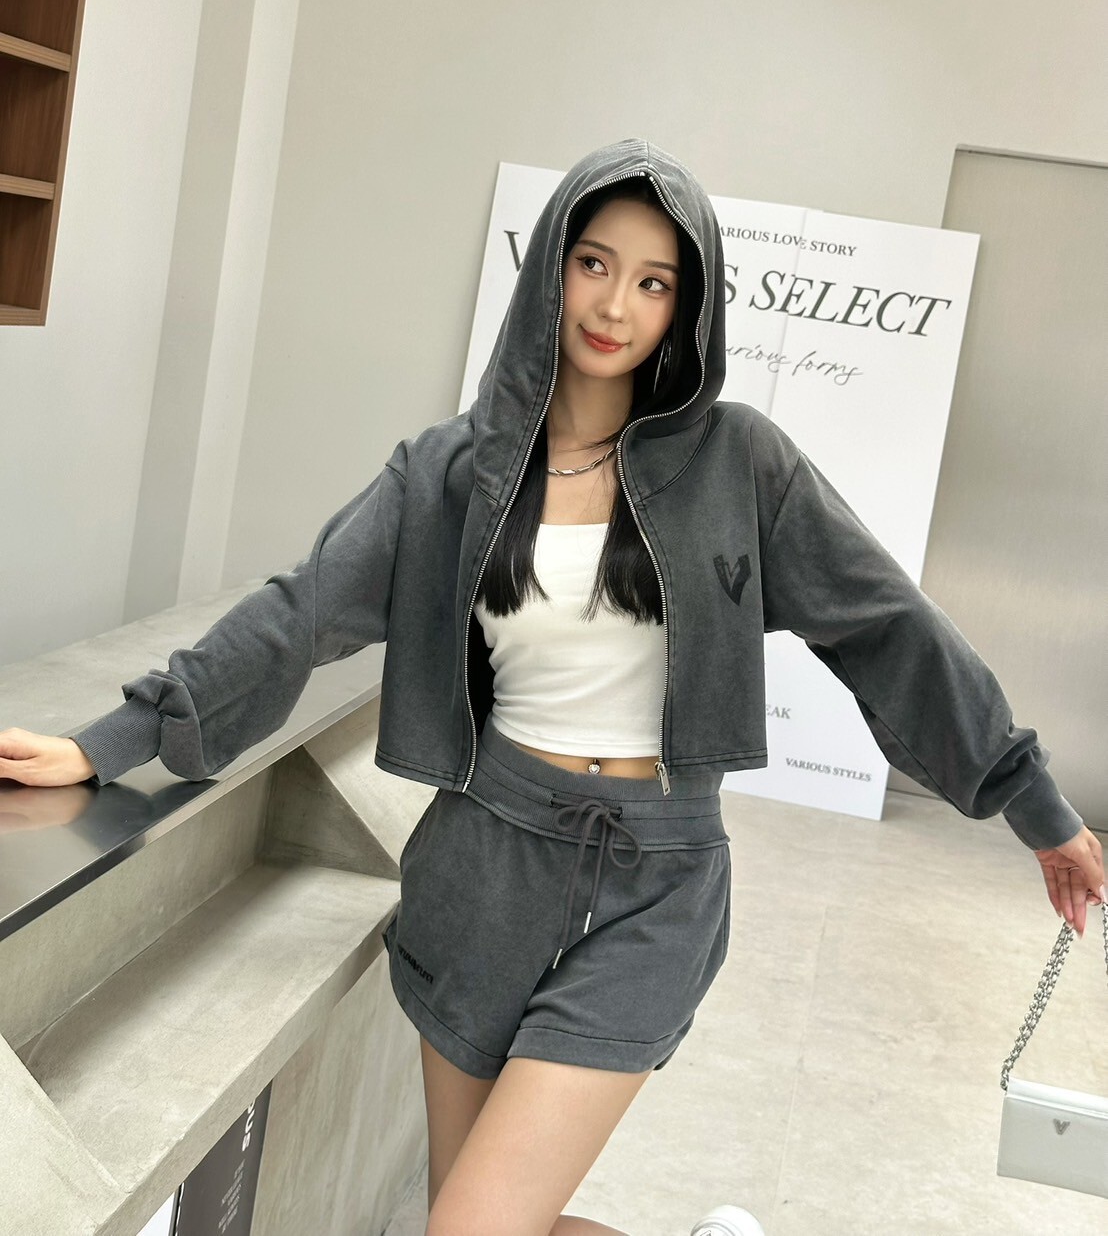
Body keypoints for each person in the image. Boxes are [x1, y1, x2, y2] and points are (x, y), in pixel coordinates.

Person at [2, 139, 1103, 1236]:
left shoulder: (739, 463)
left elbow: (886, 625)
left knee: (471, 1227)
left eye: (654, 281)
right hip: (480, 867)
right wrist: (113, 738)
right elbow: (302, 610)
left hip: (655, 882)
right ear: (551, 268)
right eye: (594, 263)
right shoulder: (448, 473)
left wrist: (1029, 797)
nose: (616, 304)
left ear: (687, 307)